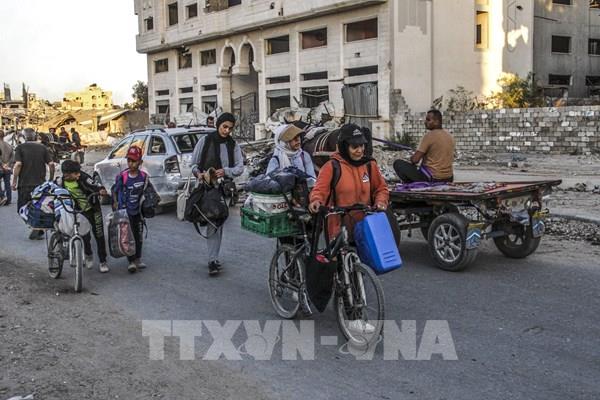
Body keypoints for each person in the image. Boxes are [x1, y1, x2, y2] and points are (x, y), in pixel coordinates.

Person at [309, 124, 389, 240]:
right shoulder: (331, 167)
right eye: (354, 147)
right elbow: (320, 190)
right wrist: (316, 200)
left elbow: (380, 189)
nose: (360, 150)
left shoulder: (369, 165)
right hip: (340, 229)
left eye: (362, 145)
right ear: (344, 147)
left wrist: (381, 202)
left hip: (367, 226)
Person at [191, 112, 244, 276]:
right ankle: (212, 259)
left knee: (217, 223)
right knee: (213, 222)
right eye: (224, 126)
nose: (227, 130)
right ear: (218, 125)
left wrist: (225, 171)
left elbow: (239, 168)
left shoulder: (233, 145)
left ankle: (213, 258)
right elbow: (194, 164)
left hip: (224, 190)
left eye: (230, 128)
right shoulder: (205, 141)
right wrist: (199, 174)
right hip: (207, 189)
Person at [56, 160, 110, 273]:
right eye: (75, 174)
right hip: (79, 211)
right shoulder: (61, 181)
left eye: (78, 172)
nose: (79, 175)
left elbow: (97, 186)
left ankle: (103, 261)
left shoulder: (84, 178)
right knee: (84, 234)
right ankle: (88, 254)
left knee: (99, 234)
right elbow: (52, 187)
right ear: (66, 175)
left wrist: (101, 190)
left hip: (93, 209)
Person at [113, 146, 156, 273]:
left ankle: (138, 258)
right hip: (126, 212)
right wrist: (116, 205)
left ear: (140, 162)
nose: (131, 163)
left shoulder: (144, 176)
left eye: (134, 161)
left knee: (138, 235)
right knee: (127, 236)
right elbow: (115, 191)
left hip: (138, 212)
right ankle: (130, 261)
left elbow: (150, 192)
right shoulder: (123, 176)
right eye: (129, 160)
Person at [12, 128, 55, 239]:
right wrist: (50, 179)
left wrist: (14, 181)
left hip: (24, 184)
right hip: (40, 185)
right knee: (38, 207)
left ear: (24, 137)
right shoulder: (43, 148)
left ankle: (36, 227)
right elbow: (51, 164)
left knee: (21, 208)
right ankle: (37, 227)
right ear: (35, 136)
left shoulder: (20, 147)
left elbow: (18, 165)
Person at [393, 109, 455, 183]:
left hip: (432, 178)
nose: (425, 122)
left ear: (436, 122)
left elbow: (415, 160)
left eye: (428, 120)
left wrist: (412, 157)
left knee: (398, 163)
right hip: (448, 178)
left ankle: (412, 185)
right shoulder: (449, 136)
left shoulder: (429, 136)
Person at [0, 129, 15, 206]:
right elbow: (13, 158)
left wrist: (2, 165)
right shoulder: (9, 146)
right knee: (7, 184)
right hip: (8, 168)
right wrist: (8, 164)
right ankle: (8, 199)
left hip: (0, 167)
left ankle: (2, 196)